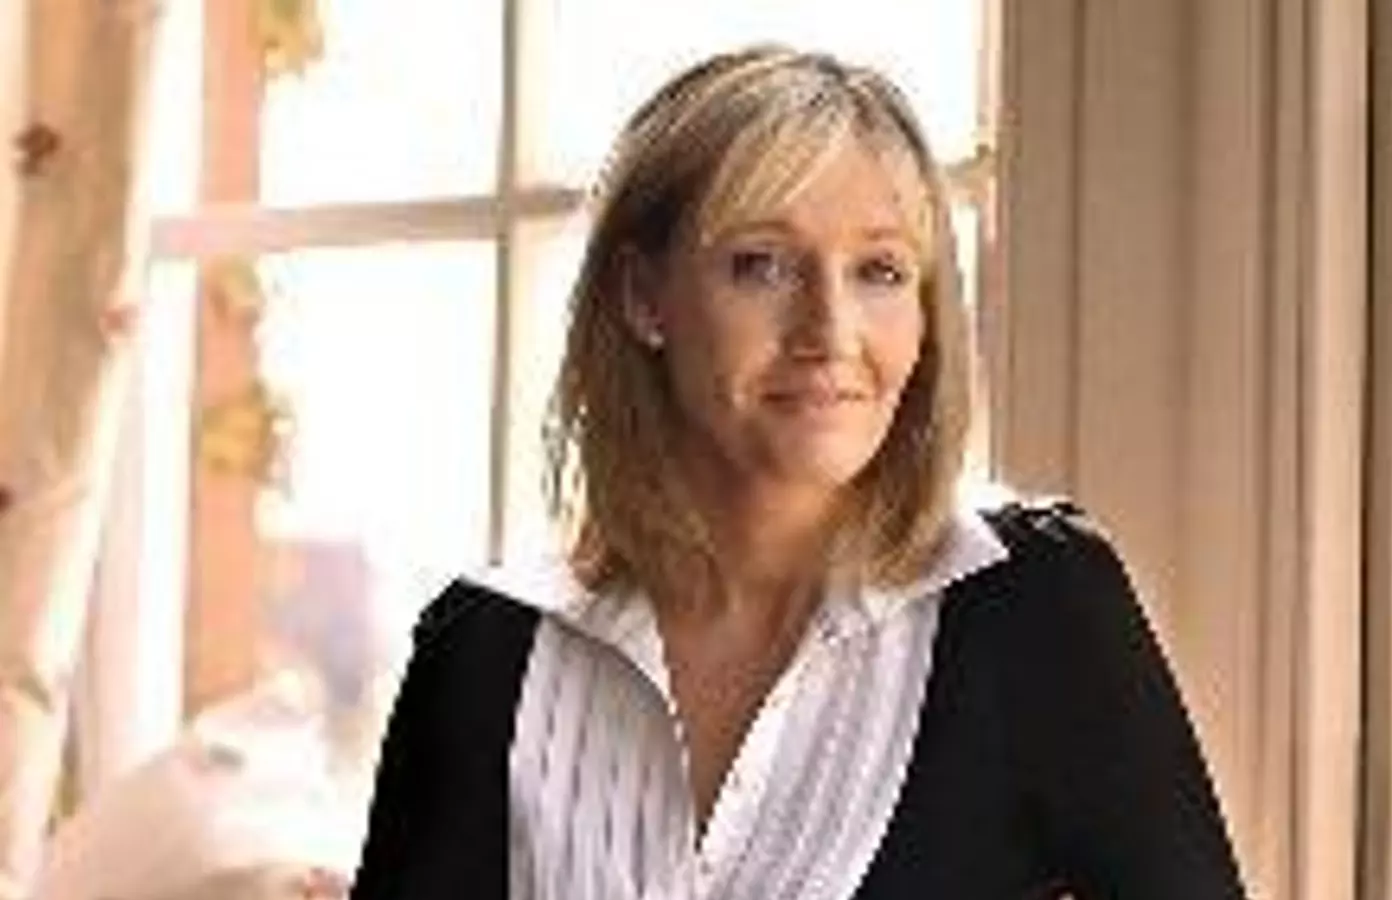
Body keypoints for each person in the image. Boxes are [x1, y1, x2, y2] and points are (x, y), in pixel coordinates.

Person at [350, 45, 1246, 900]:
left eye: (880, 271)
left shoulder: (1031, 606)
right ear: (642, 295)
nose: (830, 332)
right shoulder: (486, 650)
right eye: (762, 265)